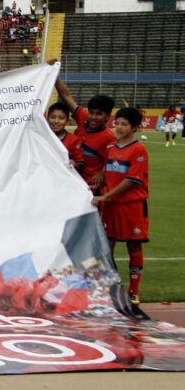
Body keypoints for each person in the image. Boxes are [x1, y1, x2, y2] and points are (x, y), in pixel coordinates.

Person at [91, 107, 149, 305]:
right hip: (111, 205)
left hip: (132, 205)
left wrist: (105, 196)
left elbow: (132, 180)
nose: (119, 127)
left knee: (134, 245)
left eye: (124, 124)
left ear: (134, 127)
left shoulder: (138, 149)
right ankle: (106, 287)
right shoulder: (111, 147)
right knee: (108, 245)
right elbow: (110, 175)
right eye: (117, 123)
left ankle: (134, 290)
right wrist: (96, 185)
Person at [49, 60, 115, 193]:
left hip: (89, 186)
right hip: (70, 180)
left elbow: (112, 161)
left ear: (107, 117)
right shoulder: (83, 118)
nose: (93, 117)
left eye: (99, 114)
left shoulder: (108, 138)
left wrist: (102, 173)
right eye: (91, 112)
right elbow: (66, 96)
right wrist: (54, 74)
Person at [47, 101, 84, 171]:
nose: (56, 121)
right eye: (53, 117)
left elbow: (80, 165)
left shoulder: (74, 140)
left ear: (67, 121)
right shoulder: (42, 138)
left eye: (61, 118)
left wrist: (74, 164)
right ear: (47, 119)